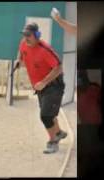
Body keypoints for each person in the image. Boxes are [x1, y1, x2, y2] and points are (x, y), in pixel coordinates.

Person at [14, 23, 67, 154]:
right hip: (40, 86)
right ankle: (59, 132)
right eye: (24, 35)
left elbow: (59, 68)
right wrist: (18, 60)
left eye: (29, 35)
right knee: (49, 112)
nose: (26, 38)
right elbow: (21, 52)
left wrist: (43, 82)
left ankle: (53, 141)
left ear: (37, 35)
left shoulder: (45, 50)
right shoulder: (24, 43)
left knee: (45, 116)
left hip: (53, 85)